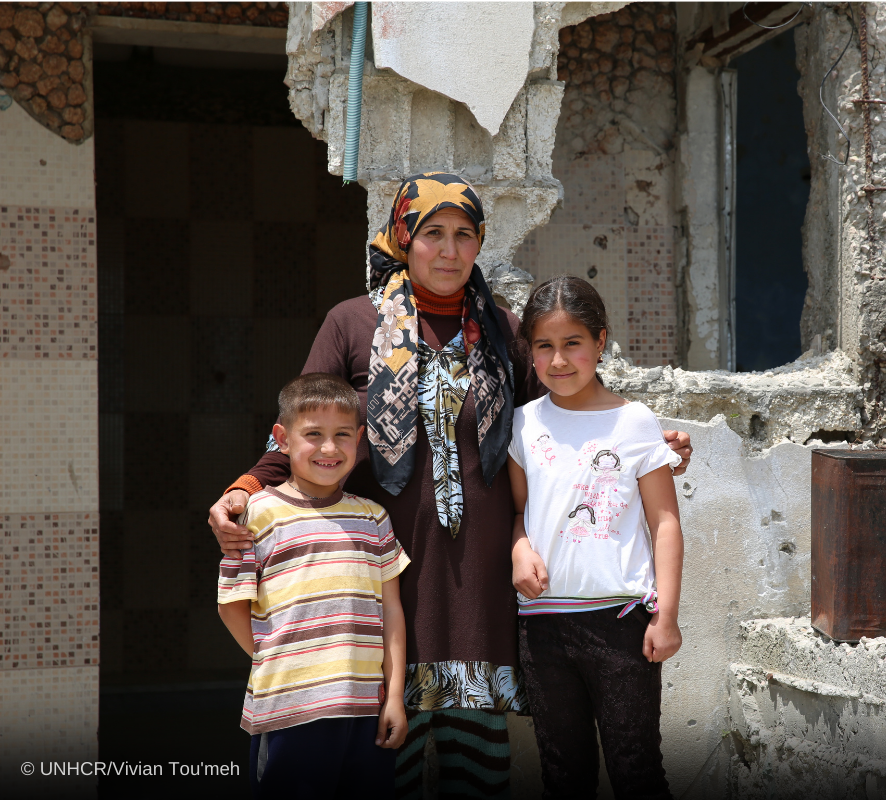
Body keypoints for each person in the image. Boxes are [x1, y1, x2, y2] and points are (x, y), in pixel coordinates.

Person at [206, 172, 693, 797]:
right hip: (388, 574)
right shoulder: (353, 324)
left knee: (479, 769)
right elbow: (306, 425)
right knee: (390, 765)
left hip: (479, 584)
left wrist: (653, 448)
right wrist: (246, 486)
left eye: (465, 235)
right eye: (433, 233)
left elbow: (559, 415)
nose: (449, 249)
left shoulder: (502, 330)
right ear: (404, 237)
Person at [509, 276, 683, 799]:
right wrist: (519, 549)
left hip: (623, 624)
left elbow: (665, 523)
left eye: (573, 344)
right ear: (530, 351)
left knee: (637, 769)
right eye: (545, 346)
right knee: (564, 773)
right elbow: (519, 513)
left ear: (601, 342)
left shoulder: (634, 422)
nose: (559, 360)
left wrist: (667, 616)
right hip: (542, 628)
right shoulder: (522, 424)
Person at [217, 373, 408, 797]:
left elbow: (391, 610)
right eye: (313, 434)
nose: (328, 448)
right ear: (282, 439)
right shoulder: (257, 516)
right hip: (289, 707)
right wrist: (281, 659)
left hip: (365, 710)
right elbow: (231, 605)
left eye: (342, 434)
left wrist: (393, 696)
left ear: (359, 439)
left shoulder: (373, 517)